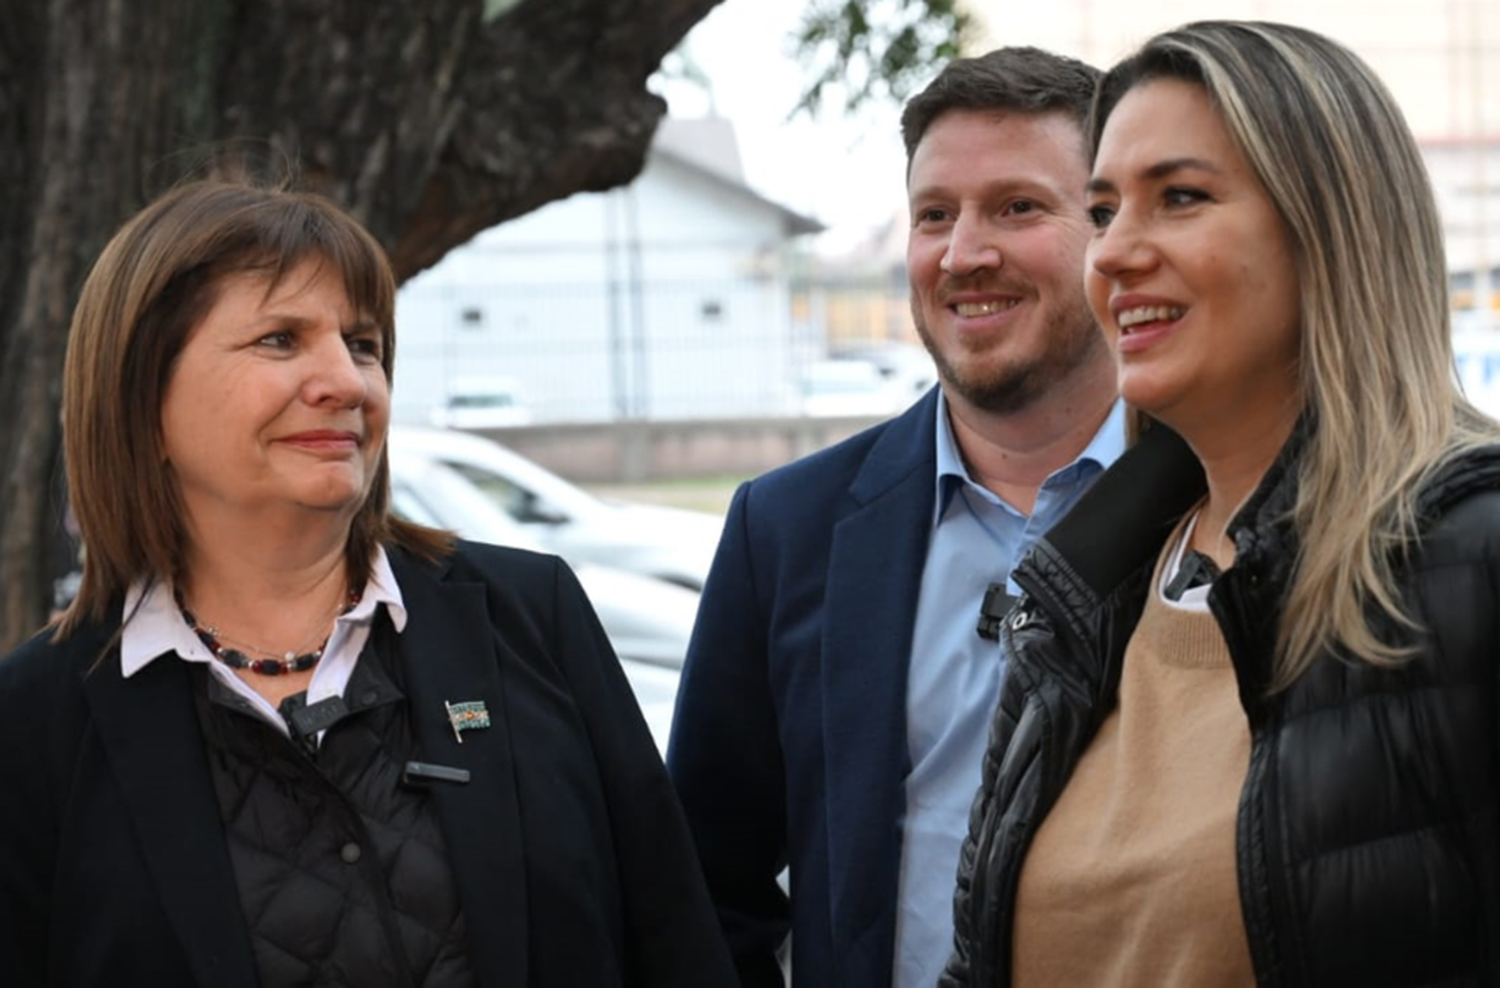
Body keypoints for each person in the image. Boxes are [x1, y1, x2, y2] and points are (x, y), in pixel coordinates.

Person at [0, 177, 738, 988]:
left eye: (362, 344)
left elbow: (678, 942)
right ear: (142, 399)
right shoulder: (37, 718)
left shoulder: (531, 617)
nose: (348, 384)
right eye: (280, 339)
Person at [944, 20, 1500, 987]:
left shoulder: (1469, 556)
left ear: (1333, 229)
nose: (1113, 254)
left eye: (1181, 198)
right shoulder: (1078, 589)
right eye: (1106, 209)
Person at [667, 48, 1122, 988]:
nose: (964, 254)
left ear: (1110, 229)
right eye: (933, 215)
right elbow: (704, 883)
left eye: (1017, 207)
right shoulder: (785, 530)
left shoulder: (1224, 500)